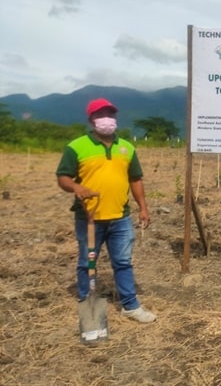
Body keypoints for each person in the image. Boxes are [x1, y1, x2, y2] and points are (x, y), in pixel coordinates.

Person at [56, 98, 156, 324]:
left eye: (110, 114)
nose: (106, 119)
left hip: (120, 217)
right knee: (86, 263)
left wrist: (143, 208)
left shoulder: (127, 148)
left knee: (122, 262)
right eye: (100, 115)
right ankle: (86, 302)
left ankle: (130, 305)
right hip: (89, 218)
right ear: (91, 120)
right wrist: (75, 186)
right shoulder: (77, 147)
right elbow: (62, 177)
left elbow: (135, 179)